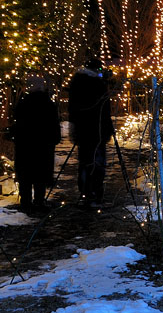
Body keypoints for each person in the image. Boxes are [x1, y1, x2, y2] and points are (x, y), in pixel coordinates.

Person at [9, 76, 61, 212]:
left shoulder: (23, 103)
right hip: (43, 144)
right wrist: (55, 138)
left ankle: (26, 201)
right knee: (41, 174)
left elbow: (17, 124)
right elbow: (54, 125)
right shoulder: (48, 103)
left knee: (25, 174)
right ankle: (39, 200)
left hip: (25, 144)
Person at [68, 58, 114, 207]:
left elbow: (73, 109)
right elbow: (103, 109)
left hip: (84, 129)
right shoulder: (95, 84)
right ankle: (94, 194)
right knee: (96, 162)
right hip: (96, 129)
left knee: (85, 162)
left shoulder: (77, 82)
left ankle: (86, 193)